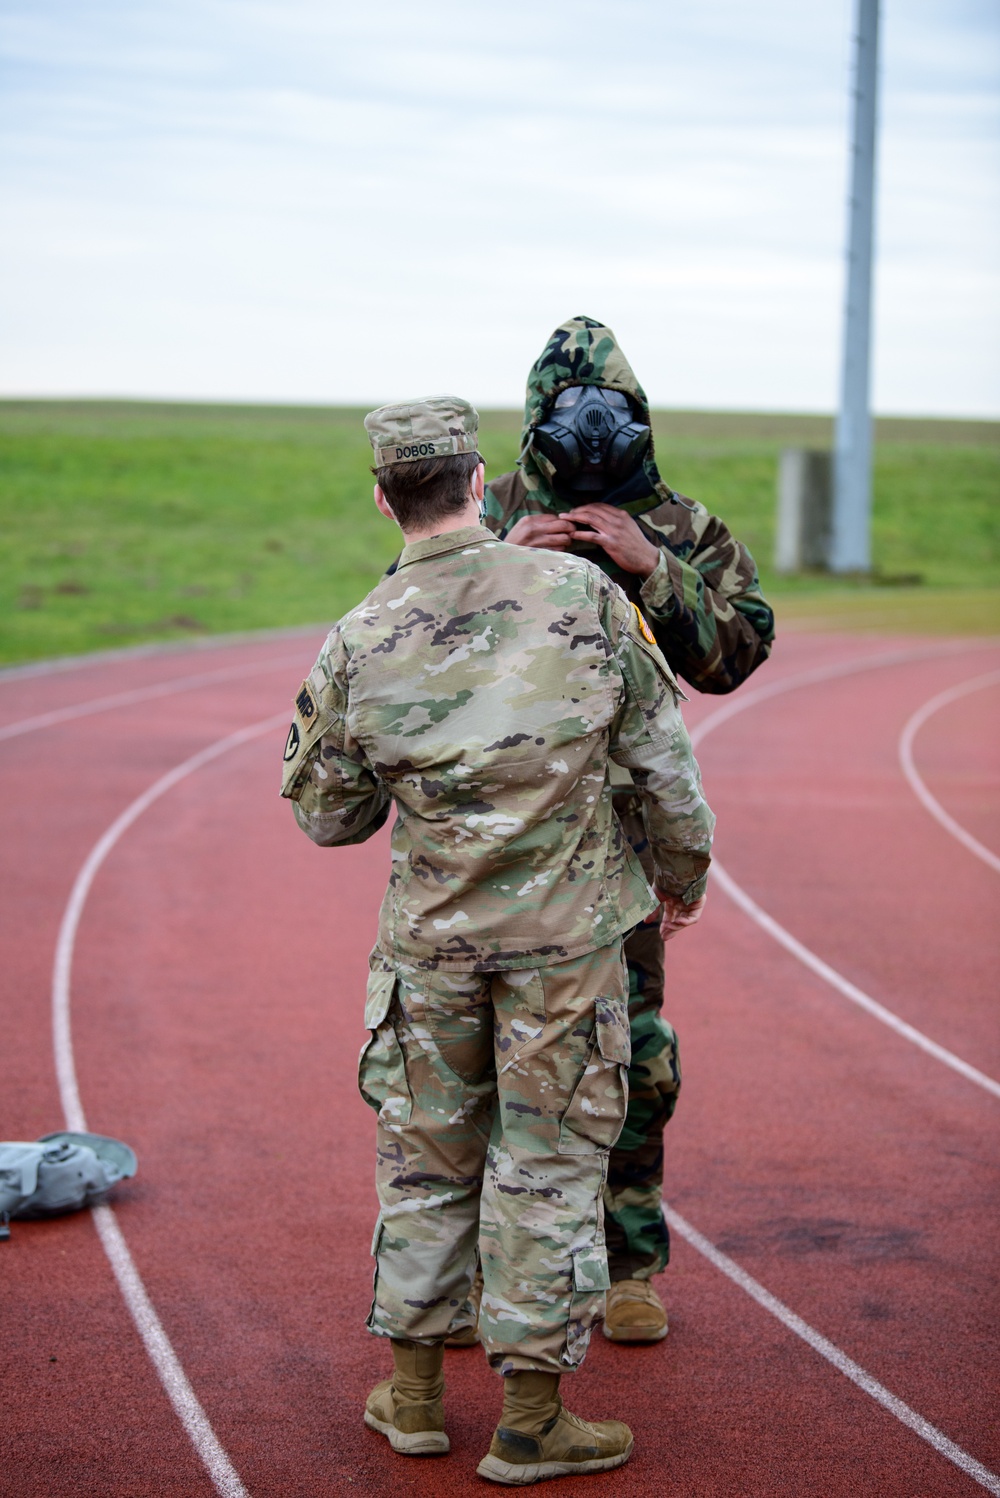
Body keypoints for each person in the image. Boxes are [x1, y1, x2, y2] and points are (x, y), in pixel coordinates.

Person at [280, 395, 715, 1485]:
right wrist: (680, 878)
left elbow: (327, 816)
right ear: (479, 482)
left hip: (428, 951)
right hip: (566, 949)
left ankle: (417, 1397)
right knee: (550, 1165)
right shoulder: (580, 596)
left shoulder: (361, 632)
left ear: (385, 497)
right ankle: (530, 1422)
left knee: (425, 1163)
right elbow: (667, 769)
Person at [481, 316, 775, 1344]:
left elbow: (735, 652)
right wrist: (498, 565)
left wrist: (652, 565)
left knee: (633, 1058)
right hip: (501, 836)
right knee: (485, 1055)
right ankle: (495, 1263)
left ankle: (628, 1264)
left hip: (620, 840)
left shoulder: (681, 521)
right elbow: (400, 648)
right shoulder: (487, 515)